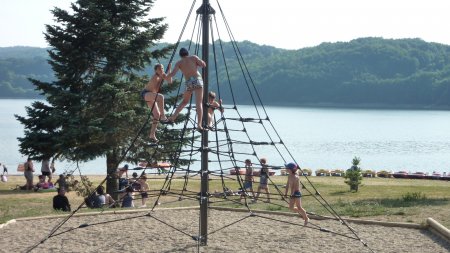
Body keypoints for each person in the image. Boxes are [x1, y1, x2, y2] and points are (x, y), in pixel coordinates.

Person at [167, 48, 207, 131]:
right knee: (199, 103)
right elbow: (203, 65)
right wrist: (200, 62)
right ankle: (199, 125)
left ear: (180, 55)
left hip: (188, 82)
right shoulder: (193, 57)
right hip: (197, 80)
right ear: (187, 53)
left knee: (184, 102)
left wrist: (167, 72)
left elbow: (172, 74)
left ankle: (173, 117)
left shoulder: (179, 63)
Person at [141, 63, 173, 142]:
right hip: (146, 93)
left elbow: (170, 81)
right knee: (160, 97)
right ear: (156, 70)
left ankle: (152, 134)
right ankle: (163, 116)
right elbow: (156, 86)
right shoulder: (155, 77)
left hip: (151, 96)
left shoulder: (162, 75)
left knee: (156, 115)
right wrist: (163, 76)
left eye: (162, 68)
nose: (161, 70)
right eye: (159, 69)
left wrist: (169, 70)